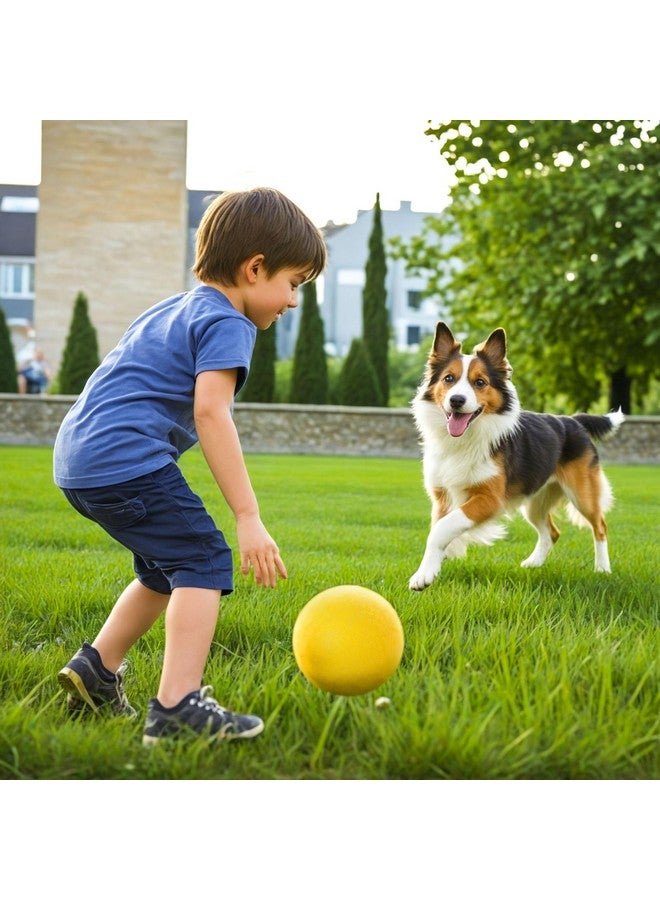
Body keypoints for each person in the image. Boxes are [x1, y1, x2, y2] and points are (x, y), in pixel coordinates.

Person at [53, 187, 327, 747]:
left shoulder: (174, 306)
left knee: (162, 568)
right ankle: (178, 707)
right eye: (294, 283)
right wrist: (248, 517)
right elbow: (211, 412)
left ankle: (96, 670)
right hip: (125, 459)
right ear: (255, 269)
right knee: (203, 558)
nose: (294, 300)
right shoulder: (229, 322)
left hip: (80, 459)